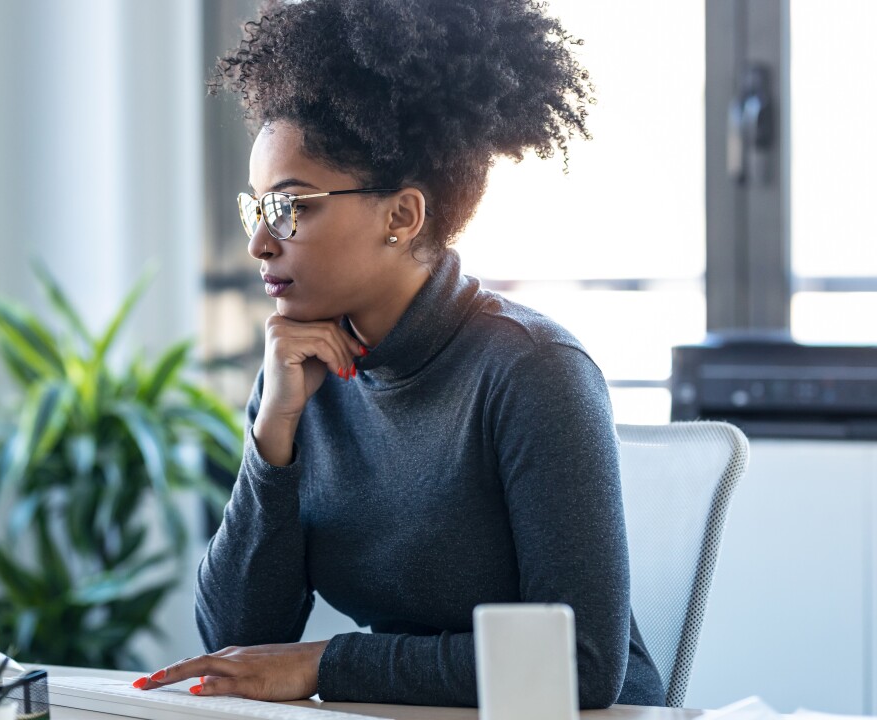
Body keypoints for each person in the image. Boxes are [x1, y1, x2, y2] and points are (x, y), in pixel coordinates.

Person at [133, 0, 665, 708]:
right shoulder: (298, 375)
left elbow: (580, 666)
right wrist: (273, 441)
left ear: (401, 216)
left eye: (290, 207)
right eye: (256, 208)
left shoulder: (532, 371)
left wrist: (327, 665)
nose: (260, 242)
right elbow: (238, 640)